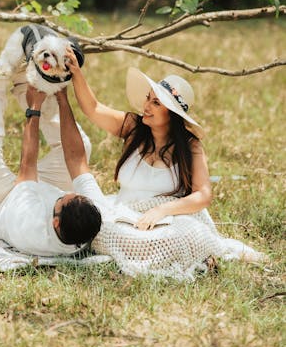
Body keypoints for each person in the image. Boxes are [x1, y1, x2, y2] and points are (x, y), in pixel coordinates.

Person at [64, 50, 264, 279]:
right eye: (148, 98)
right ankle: (139, 252)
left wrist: (161, 210)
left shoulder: (190, 147)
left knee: (182, 237)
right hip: (125, 213)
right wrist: (77, 74)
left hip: (170, 218)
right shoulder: (132, 128)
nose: (146, 105)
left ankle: (151, 253)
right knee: (102, 228)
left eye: (156, 102)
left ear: (172, 114)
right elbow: (94, 108)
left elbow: (203, 195)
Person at [0, 67, 106, 258]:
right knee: (83, 146)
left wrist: (34, 108)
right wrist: (62, 99)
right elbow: (77, 158)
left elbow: (27, 167)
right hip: (40, 188)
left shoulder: (30, 226)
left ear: (55, 222)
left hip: (0, 205)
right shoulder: (89, 217)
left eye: (62, 199)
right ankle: (24, 84)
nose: (71, 192)